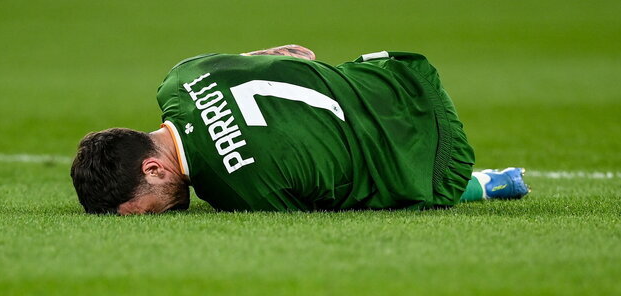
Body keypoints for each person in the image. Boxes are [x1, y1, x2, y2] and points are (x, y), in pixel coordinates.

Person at [70, 45, 529, 215]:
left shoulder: (237, 192)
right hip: (403, 74)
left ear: (153, 168)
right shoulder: (179, 79)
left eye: (146, 211)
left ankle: (483, 185)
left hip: (439, 159)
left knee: (362, 191)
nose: (160, 216)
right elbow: (288, 53)